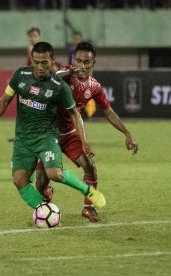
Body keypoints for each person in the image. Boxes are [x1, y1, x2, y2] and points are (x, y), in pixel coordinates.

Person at [0, 41, 106, 214]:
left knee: (54, 174)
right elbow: (5, 100)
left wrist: (84, 141)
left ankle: (87, 190)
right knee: (19, 180)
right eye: (36, 62)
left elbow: (74, 114)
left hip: (47, 137)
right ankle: (44, 211)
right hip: (23, 139)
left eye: (44, 63)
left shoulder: (59, 86)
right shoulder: (20, 76)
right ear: (32, 60)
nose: (40, 67)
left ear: (52, 61)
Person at [36, 42, 138, 222]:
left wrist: (127, 133)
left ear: (93, 63)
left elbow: (109, 112)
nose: (81, 66)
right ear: (72, 60)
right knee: (40, 181)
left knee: (89, 166)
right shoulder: (64, 75)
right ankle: (46, 193)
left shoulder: (94, 87)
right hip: (47, 134)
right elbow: (52, 76)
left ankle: (88, 207)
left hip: (69, 134)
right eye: (78, 60)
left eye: (86, 62)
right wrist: (70, 72)